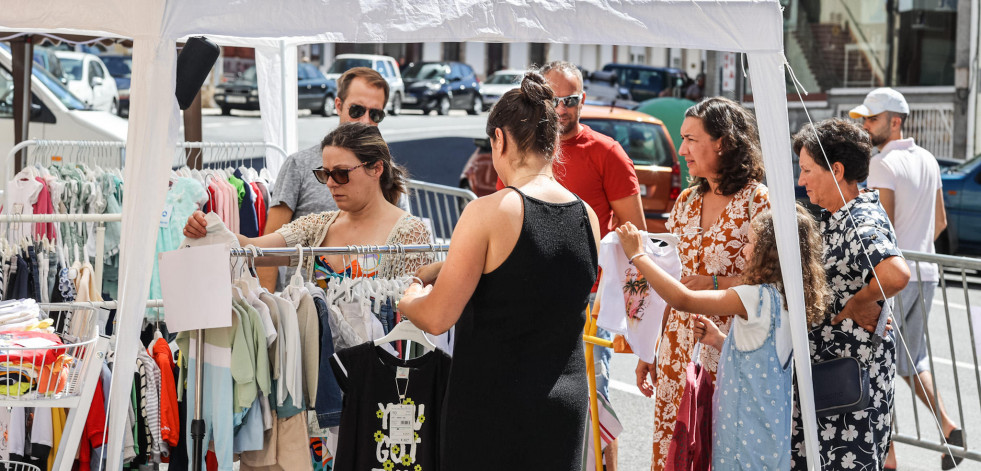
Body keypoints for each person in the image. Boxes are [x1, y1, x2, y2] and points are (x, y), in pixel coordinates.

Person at [398, 72, 602, 471]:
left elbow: (437, 317)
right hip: (565, 404)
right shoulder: (586, 215)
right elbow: (535, 277)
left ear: (500, 140)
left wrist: (408, 296)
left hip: (493, 405)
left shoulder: (490, 210)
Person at [616, 203, 829, 470]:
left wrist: (638, 255)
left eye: (751, 243)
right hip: (769, 436)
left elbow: (683, 299)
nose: (745, 250)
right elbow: (764, 359)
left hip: (741, 438)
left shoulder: (756, 297)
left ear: (770, 253)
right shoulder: (788, 298)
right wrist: (719, 340)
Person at [636, 96, 769, 470]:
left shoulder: (757, 203)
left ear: (723, 142)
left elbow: (772, 286)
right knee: (673, 452)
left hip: (728, 349)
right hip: (677, 351)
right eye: (683, 139)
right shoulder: (685, 201)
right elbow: (672, 281)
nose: (682, 150)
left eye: (692, 140)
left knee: (719, 451)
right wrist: (651, 348)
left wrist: (714, 280)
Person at [541, 60, 647, 469]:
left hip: (589, 300)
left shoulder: (607, 153)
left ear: (582, 99)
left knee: (594, 405)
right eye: (552, 100)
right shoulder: (526, 152)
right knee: (545, 405)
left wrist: (627, 313)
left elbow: (634, 234)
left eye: (568, 100)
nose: (560, 108)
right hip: (537, 297)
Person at [850, 87, 960, 470]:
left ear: (895, 122)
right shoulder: (928, 159)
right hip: (925, 271)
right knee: (912, 361)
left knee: (878, 361)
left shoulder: (881, 163)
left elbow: (884, 228)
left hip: (894, 276)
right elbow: (941, 220)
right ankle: (948, 427)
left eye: (872, 119)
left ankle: (889, 453)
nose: (866, 126)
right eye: (864, 119)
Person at [792, 118, 911, 470]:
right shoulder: (843, 214)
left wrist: (859, 301)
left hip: (848, 388)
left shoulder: (859, 219)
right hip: (839, 382)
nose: (801, 180)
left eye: (807, 170)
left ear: (837, 170)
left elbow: (895, 273)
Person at [184, 122, 433, 283]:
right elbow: (252, 250)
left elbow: (414, 313)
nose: (331, 183)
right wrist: (209, 229)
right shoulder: (318, 226)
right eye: (325, 173)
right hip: (316, 360)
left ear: (376, 168)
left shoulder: (409, 233)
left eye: (341, 173)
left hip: (376, 362)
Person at [259, 67, 391, 289]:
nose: (365, 121)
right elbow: (269, 243)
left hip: (372, 308)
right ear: (338, 105)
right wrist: (267, 308)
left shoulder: (386, 171)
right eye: (357, 110)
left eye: (375, 114)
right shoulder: (299, 165)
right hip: (306, 308)